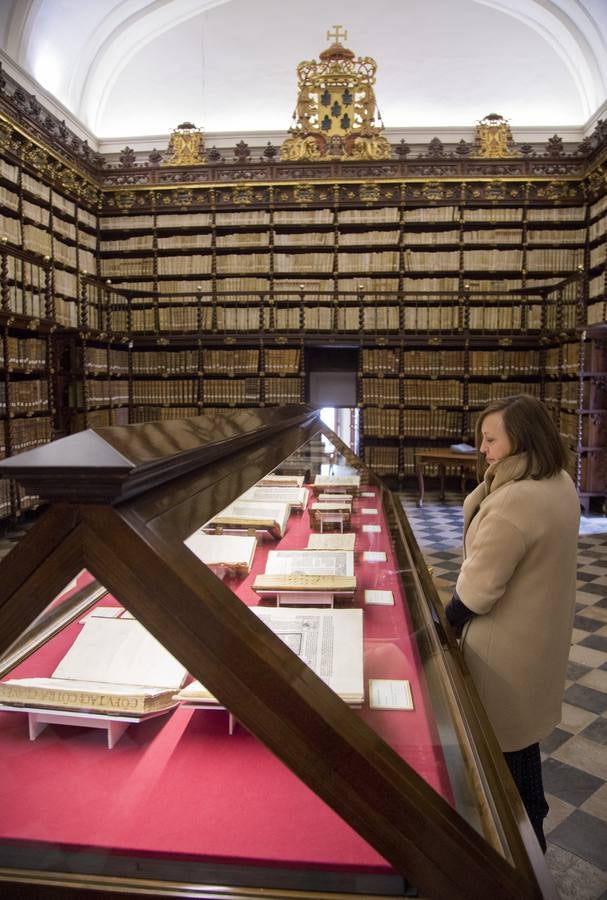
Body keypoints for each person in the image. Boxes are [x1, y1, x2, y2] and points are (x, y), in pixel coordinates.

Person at [445, 394, 580, 853]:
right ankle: (529, 848)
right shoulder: (559, 482)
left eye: (489, 440)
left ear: (519, 440)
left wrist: (440, 625)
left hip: (502, 653)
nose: (482, 449)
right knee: (523, 753)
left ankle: (518, 866)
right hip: (538, 642)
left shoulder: (514, 502)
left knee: (506, 772)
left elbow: (477, 591)